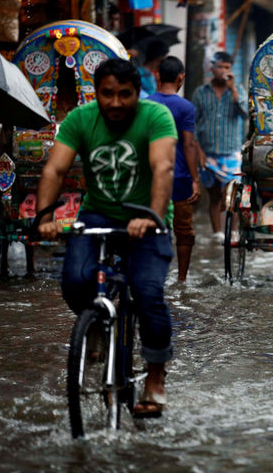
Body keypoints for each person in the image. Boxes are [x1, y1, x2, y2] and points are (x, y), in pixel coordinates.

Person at [36, 58, 177, 418]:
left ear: (137, 94)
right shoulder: (80, 120)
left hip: (147, 217)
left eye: (124, 95)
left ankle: (156, 376)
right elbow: (55, 168)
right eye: (107, 94)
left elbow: (163, 167)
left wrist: (152, 217)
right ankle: (96, 323)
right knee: (74, 281)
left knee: (147, 292)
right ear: (96, 93)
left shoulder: (156, 117)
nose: (115, 103)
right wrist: (45, 217)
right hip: (97, 214)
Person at [148, 56, 201, 282]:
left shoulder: (146, 104)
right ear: (181, 77)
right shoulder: (186, 107)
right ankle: (181, 279)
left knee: (150, 225)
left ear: (157, 76)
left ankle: (154, 276)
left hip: (150, 176)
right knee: (184, 231)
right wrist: (195, 179)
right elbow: (188, 144)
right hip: (179, 177)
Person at [191, 51, 246, 242]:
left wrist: (234, 91)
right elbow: (194, 124)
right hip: (208, 152)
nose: (224, 71)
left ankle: (233, 233)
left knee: (231, 196)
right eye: (220, 67)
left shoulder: (237, 89)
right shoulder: (200, 93)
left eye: (227, 67)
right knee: (214, 196)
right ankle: (217, 234)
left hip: (231, 152)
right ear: (212, 69)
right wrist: (198, 151)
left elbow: (246, 113)